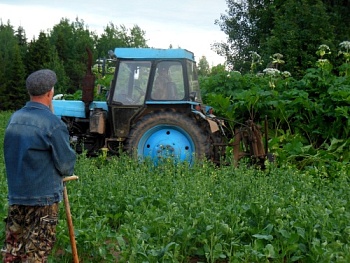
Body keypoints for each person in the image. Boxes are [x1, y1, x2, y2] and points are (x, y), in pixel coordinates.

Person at [1, 69, 76, 263]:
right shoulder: (53, 124)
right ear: (50, 93)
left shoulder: (14, 119)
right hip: (43, 201)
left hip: (17, 197)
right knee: (36, 254)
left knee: (13, 252)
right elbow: (66, 165)